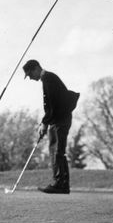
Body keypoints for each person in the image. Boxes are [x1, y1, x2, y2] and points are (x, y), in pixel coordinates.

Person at [23, 59, 79, 194]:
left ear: (36, 68)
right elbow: (50, 106)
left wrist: (44, 123)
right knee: (55, 150)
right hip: (58, 120)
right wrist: (45, 122)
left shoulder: (48, 79)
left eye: (30, 74)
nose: (30, 78)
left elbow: (52, 105)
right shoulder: (47, 79)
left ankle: (61, 184)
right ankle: (60, 183)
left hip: (60, 120)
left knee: (57, 151)